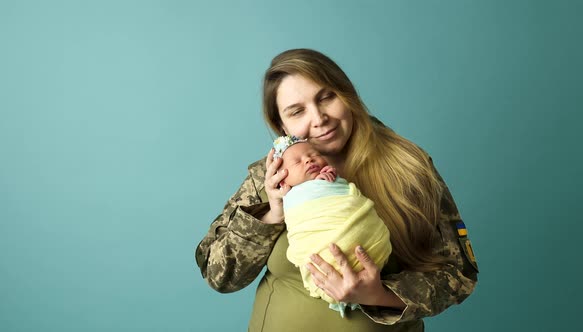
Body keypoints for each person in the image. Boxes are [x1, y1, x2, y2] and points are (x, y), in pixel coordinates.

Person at [196, 48, 479, 331]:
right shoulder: (271, 178)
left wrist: (378, 294)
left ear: (347, 94)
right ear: (282, 125)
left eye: (327, 97)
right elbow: (219, 275)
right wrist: (270, 215)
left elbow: (459, 274)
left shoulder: (408, 165)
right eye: (297, 111)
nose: (319, 119)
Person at [272, 135, 392, 317]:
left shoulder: (396, 161)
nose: (309, 159)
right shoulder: (282, 192)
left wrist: (331, 182)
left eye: (313, 154)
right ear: (282, 180)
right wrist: (272, 213)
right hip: (323, 256)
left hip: (369, 246)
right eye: (297, 162)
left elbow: (345, 197)